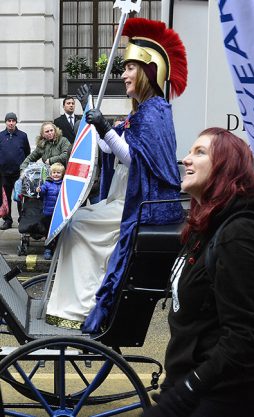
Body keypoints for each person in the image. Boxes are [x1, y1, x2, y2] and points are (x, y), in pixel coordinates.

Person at [45, 17, 188, 333]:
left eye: (130, 68)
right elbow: (108, 148)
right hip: (124, 198)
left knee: (77, 225)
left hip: (140, 205)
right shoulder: (140, 110)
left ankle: (80, 307)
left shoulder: (156, 111)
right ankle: (74, 304)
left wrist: (103, 125)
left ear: (148, 72)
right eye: (123, 68)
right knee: (76, 223)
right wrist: (91, 114)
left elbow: (132, 156)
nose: (124, 74)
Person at [142, 128, 254, 417]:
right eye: (189, 152)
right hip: (193, 390)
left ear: (226, 166)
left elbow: (246, 338)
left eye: (199, 152)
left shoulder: (240, 234)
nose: (185, 159)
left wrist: (184, 395)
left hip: (224, 399)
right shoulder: (206, 226)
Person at [0, 112, 30, 230]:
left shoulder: (23, 136)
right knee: (5, 198)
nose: (11, 123)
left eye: (13, 121)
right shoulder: (1, 136)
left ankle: (21, 219)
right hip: (4, 174)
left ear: (16, 122)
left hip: (19, 174)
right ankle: (7, 220)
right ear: (5, 122)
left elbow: (27, 153)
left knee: (20, 197)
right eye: (9, 121)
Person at [36, 162, 65, 260]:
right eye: (54, 172)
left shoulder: (64, 184)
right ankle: (48, 249)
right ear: (50, 173)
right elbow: (43, 190)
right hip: (48, 213)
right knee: (49, 232)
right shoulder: (47, 184)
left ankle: (57, 248)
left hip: (59, 213)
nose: (56, 174)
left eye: (58, 173)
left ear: (62, 174)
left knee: (59, 232)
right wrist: (40, 190)